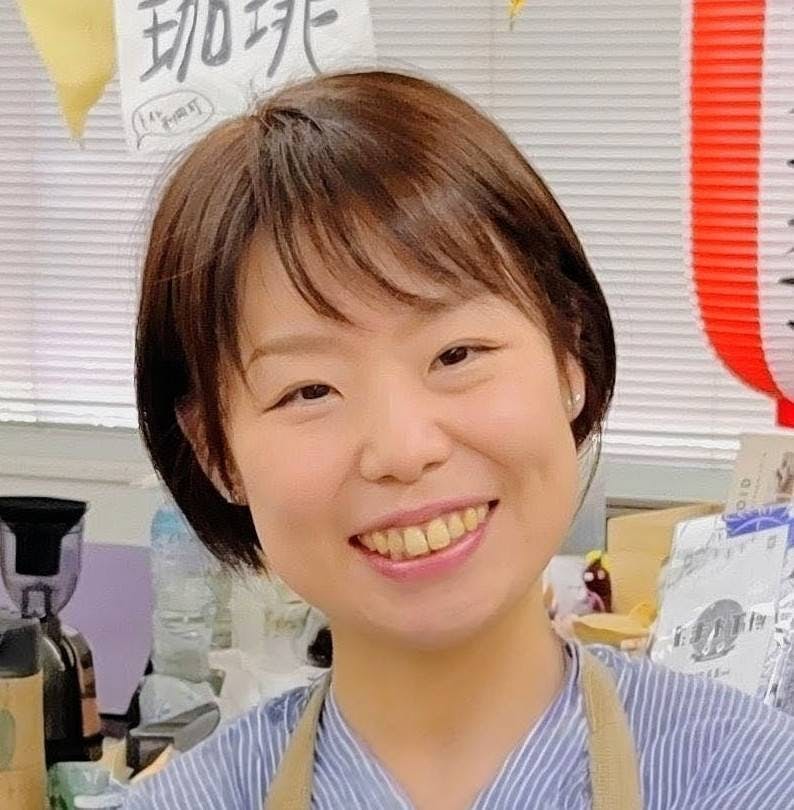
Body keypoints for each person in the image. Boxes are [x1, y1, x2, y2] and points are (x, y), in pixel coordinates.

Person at [127, 70, 794, 810]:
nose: (403, 449)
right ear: (216, 452)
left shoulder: (756, 779)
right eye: (308, 391)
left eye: (456, 354)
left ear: (567, 354)